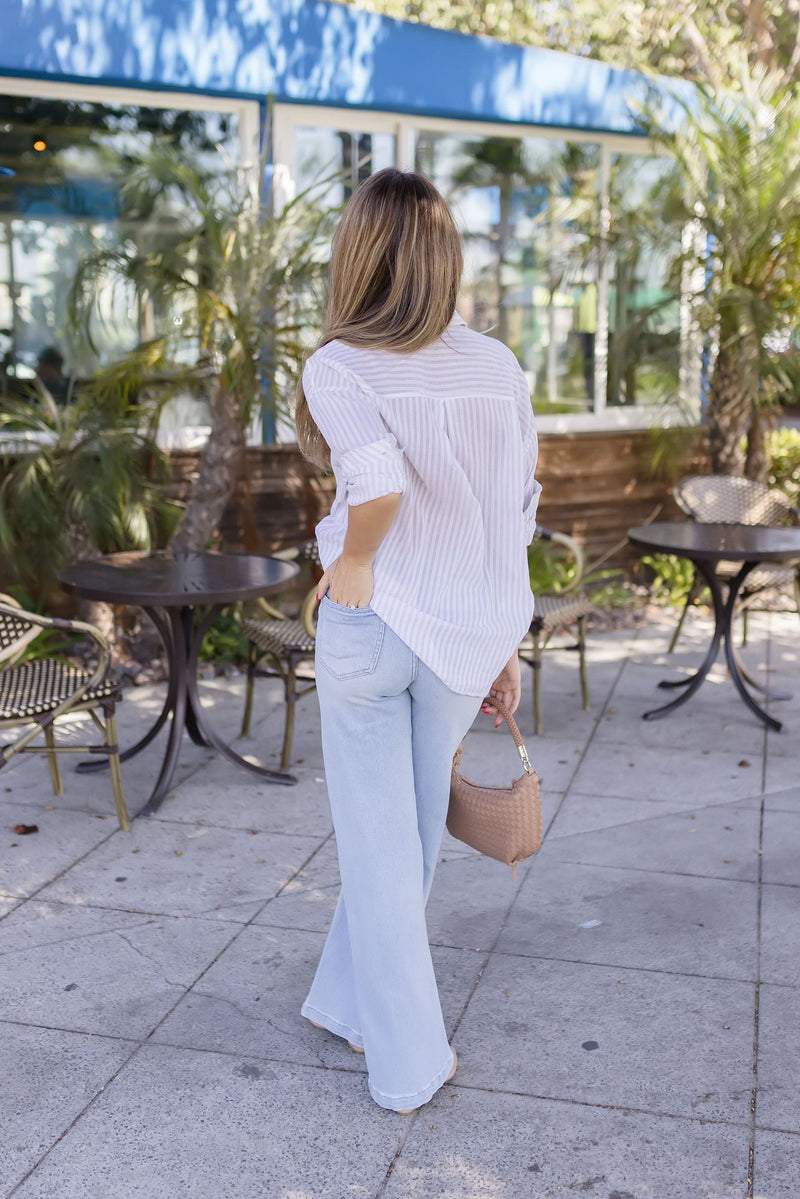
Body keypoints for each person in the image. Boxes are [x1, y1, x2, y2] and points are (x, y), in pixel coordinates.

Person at [295, 168, 541, 1114]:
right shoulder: (498, 365)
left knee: (380, 844)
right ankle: (347, 1001)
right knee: (408, 842)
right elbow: (515, 512)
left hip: (373, 621)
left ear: (359, 253)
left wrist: (355, 561)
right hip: (461, 628)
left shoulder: (341, 362)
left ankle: (404, 1064)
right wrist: (501, 643)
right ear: (443, 259)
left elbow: (377, 483)